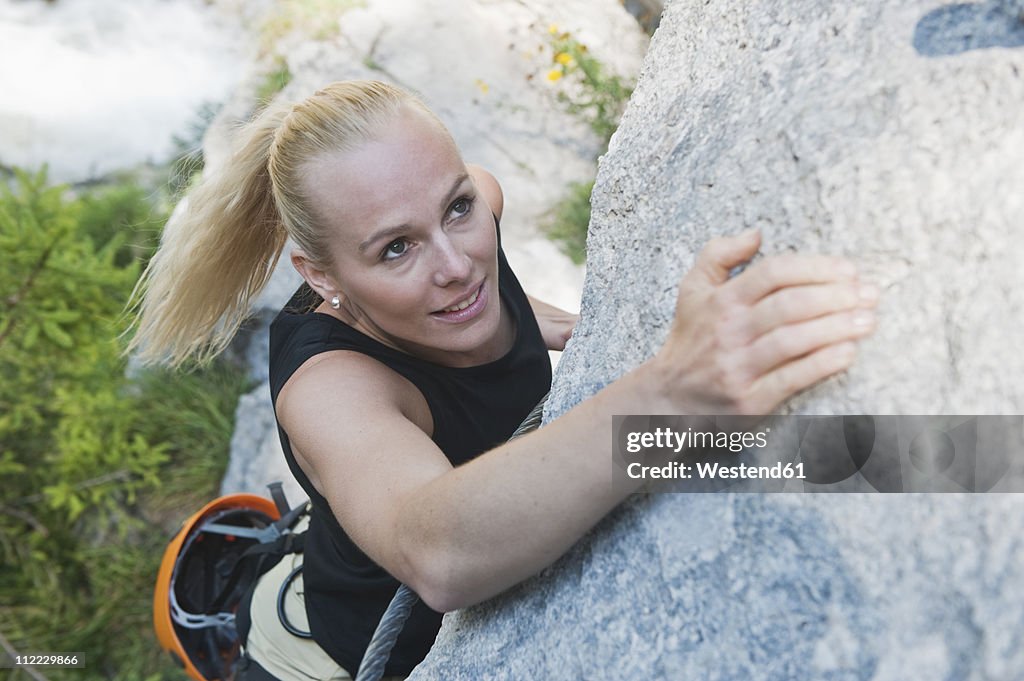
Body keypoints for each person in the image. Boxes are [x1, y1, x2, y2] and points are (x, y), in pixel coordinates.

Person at [129, 80, 879, 680]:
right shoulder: (329, 386)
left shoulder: (470, 208)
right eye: (394, 250)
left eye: (455, 208)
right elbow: (438, 553)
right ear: (321, 277)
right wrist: (671, 387)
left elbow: (473, 236)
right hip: (343, 654)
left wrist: (549, 321)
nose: (455, 263)